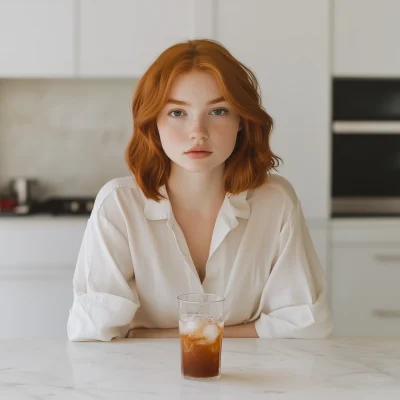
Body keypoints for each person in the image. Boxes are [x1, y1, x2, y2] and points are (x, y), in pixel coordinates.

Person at [67, 39, 332, 342]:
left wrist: (159, 336)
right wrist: (247, 332)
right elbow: (92, 333)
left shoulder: (276, 202)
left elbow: (308, 324)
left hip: (254, 383)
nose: (198, 132)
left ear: (241, 121)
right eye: (178, 113)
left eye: (218, 111)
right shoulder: (118, 205)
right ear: (153, 122)